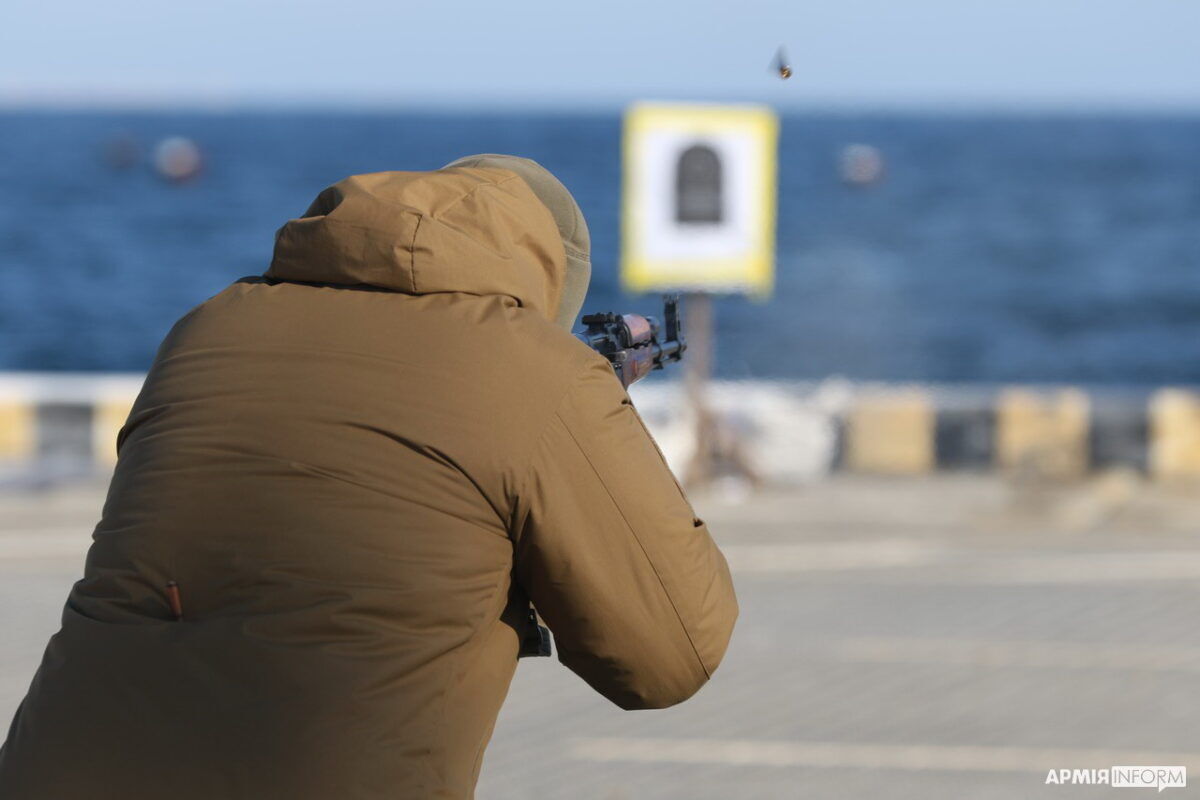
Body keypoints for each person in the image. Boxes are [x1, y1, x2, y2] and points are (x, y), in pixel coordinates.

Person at [0, 154, 738, 799]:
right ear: (546, 276)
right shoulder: (539, 374)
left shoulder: (209, 325)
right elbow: (672, 654)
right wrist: (601, 416)